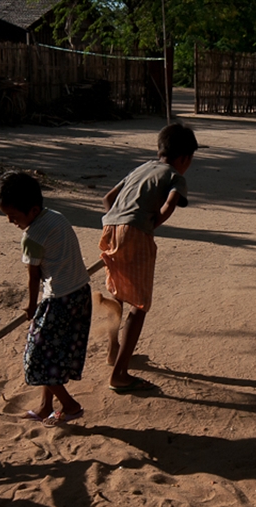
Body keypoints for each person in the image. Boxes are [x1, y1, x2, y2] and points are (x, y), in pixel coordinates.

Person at [99, 122, 198, 392]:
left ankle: (112, 350)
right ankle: (119, 373)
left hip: (109, 227)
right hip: (135, 232)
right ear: (185, 158)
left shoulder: (140, 168)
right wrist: (145, 227)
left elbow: (109, 198)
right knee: (139, 306)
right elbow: (169, 204)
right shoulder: (176, 176)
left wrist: (118, 226)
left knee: (117, 294)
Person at [0, 170, 92, 426]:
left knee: (37, 358)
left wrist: (31, 306)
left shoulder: (32, 236)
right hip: (80, 294)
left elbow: (34, 276)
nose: (9, 221)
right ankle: (47, 406)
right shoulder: (57, 217)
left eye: (13, 216)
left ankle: (70, 406)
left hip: (59, 300)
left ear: (34, 209)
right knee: (53, 354)